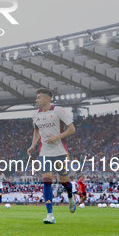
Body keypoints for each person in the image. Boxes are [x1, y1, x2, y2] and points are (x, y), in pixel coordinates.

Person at [27, 88, 76, 224]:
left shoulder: (58, 111)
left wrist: (57, 137)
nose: (36, 100)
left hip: (60, 152)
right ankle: (50, 214)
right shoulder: (35, 115)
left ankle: (71, 197)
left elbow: (72, 129)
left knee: (64, 182)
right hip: (45, 153)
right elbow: (36, 131)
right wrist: (33, 145)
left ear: (47, 99)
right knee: (47, 181)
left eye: (39, 97)